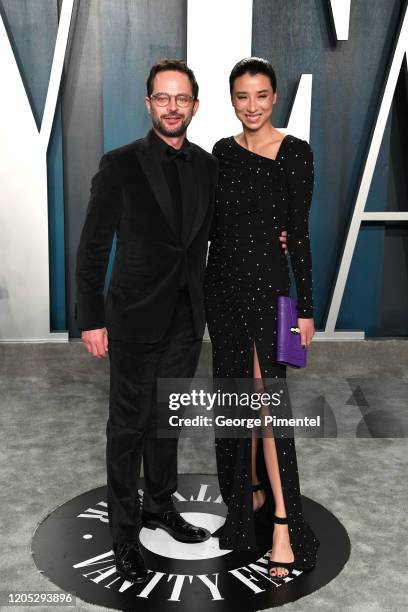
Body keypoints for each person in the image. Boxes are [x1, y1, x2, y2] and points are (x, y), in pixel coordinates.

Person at [76, 59, 220, 584]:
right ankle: (123, 533)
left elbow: (211, 239)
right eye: (163, 98)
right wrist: (91, 317)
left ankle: (161, 507)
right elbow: (92, 247)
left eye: (182, 98)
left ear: (195, 106)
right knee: (128, 429)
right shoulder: (119, 165)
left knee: (167, 422)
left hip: (187, 318)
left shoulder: (207, 166)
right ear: (149, 104)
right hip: (133, 318)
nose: (173, 107)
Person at [204, 57, 320, 579]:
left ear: (275, 98)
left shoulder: (295, 153)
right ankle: (244, 502)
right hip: (223, 291)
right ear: (232, 100)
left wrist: (307, 310)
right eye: (242, 97)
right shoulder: (222, 154)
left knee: (268, 406)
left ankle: (282, 522)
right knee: (237, 401)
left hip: (272, 292)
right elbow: (209, 227)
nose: (252, 106)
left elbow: (299, 234)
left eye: (261, 96)